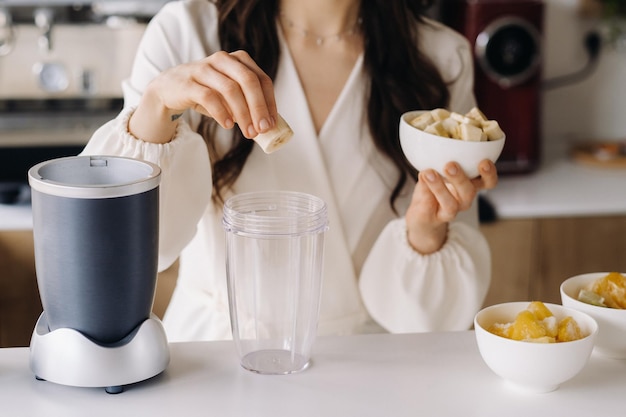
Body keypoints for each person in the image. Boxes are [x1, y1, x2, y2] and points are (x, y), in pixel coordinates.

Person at [82, 0, 499, 341]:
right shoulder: (186, 32)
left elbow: (426, 324)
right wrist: (157, 107)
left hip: (365, 364)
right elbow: (118, 245)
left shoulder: (442, 57)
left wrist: (426, 230)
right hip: (216, 356)